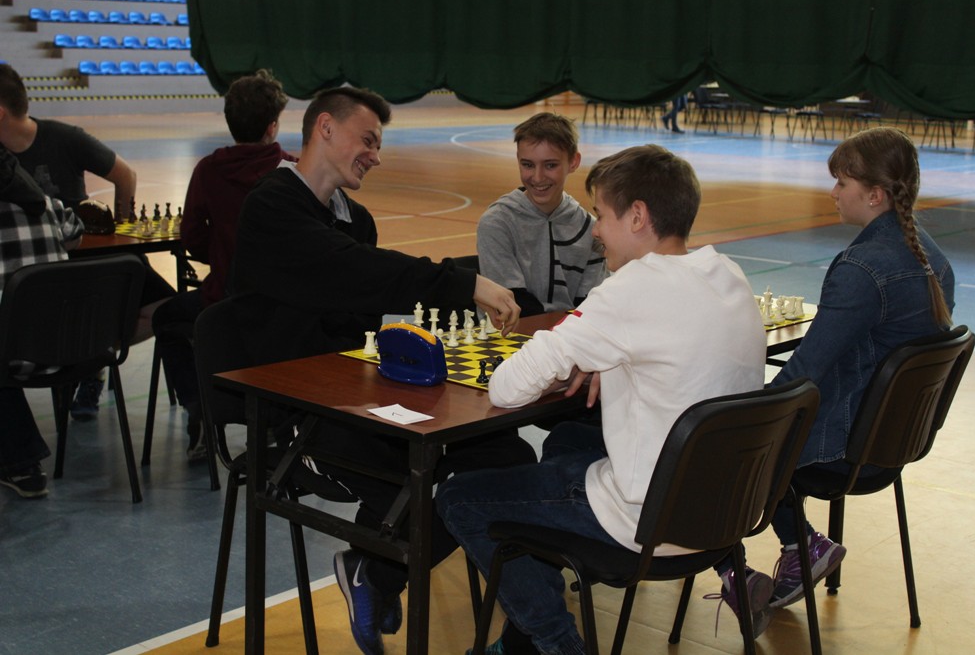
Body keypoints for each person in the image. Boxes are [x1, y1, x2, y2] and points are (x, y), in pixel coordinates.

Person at [229, 85, 535, 655]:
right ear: (325, 128)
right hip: (297, 410)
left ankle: (376, 572)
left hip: (360, 394)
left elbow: (365, 299)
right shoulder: (271, 207)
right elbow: (357, 272)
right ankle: (380, 569)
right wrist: (465, 282)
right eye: (367, 140)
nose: (375, 154)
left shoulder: (356, 219)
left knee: (506, 458)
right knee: (419, 480)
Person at [436, 144, 767, 655]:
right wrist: (604, 359)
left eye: (602, 215)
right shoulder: (729, 274)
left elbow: (506, 387)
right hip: (723, 511)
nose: (594, 230)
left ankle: (556, 643)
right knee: (567, 439)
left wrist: (586, 355)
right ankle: (523, 639)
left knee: (458, 498)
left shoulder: (632, 288)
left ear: (637, 216)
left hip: (647, 519)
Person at [710, 126, 956, 636]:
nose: (833, 192)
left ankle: (746, 571)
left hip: (845, 443)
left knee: (721, 449)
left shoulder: (862, 268)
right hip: (893, 439)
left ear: (875, 194)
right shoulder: (935, 257)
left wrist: (743, 420)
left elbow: (805, 371)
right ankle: (798, 545)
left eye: (842, 182)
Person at [0, 63, 175, 420]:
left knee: (169, 308)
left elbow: (125, 175)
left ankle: (95, 355)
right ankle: (88, 353)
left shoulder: (64, 138)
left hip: (92, 262)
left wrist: (122, 234)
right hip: (41, 274)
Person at [149, 69, 300, 461]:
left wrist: (219, 256)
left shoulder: (208, 169)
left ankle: (198, 407)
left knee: (166, 320)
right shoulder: (292, 171)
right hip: (282, 306)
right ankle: (272, 420)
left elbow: (191, 236)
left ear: (230, 122)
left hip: (221, 303)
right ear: (273, 126)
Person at [0, 149, 85, 498]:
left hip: (14, 356)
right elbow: (75, 235)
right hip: (75, 347)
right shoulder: (49, 205)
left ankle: (22, 464)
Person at [476, 112, 606, 317]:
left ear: (573, 161)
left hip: (568, 331)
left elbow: (589, 305)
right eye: (527, 165)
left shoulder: (591, 229)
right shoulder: (497, 223)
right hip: (513, 332)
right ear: (518, 160)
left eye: (550, 165)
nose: (537, 177)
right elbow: (510, 305)